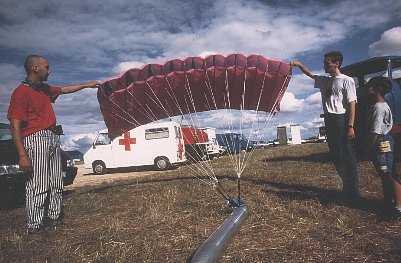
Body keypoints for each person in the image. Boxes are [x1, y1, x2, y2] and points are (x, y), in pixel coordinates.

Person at [7, 55, 100, 235]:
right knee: (38, 184)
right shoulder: (21, 92)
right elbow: (15, 124)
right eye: (46, 67)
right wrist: (22, 155)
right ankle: (35, 226)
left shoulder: (44, 89)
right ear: (35, 68)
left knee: (57, 181)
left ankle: (54, 217)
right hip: (36, 138)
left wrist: (87, 84)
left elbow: (64, 89)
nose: (50, 70)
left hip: (52, 136)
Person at [291, 51, 360, 200]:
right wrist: (299, 65)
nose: (324, 65)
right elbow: (311, 74)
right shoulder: (325, 80)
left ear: (337, 64)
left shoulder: (347, 80)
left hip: (341, 120)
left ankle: (354, 191)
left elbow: (352, 103)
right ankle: (346, 186)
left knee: (347, 154)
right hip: (329, 120)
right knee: (336, 155)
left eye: (327, 63)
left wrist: (350, 125)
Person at [366, 76, 401, 217]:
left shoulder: (378, 108)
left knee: (389, 174)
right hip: (386, 140)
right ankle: (391, 200)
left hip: (382, 142)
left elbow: (376, 130)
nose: (367, 89)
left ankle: (398, 205)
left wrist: (370, 145)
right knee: (386, 172)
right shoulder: (384, 105)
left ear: (378, 89)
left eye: (370, 86)